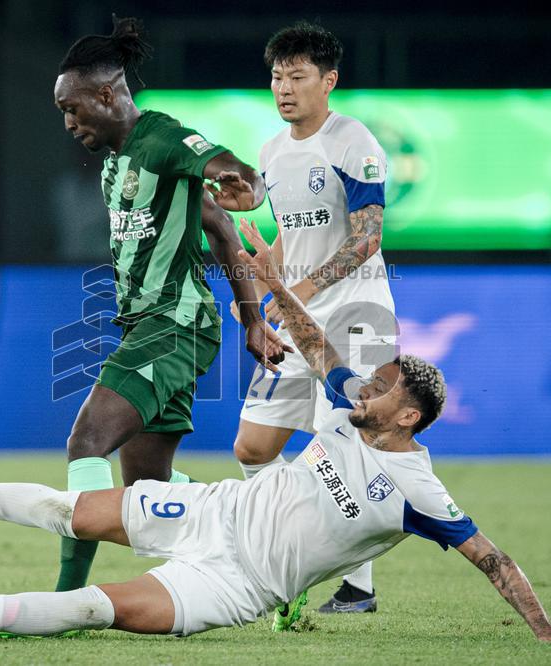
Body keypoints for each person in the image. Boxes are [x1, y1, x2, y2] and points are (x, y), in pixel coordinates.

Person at [0, 219, 551, 643]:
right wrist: (262, 281)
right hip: (210, 510)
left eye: (382, 385)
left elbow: (493, 559)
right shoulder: (351, 407)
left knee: (93, 610)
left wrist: (544, 630)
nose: (365, 383)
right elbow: (309, 334)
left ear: (407, 417)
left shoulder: (420, 493)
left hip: (235, 583)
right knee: (66, 510)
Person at [48, 16, 288, 595]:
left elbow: (232, 175)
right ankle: (265, 533)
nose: (69, 122)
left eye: (73, 108)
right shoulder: (114, 161)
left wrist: (242, 183)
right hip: (152, 327)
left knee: (86, 443)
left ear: (107, 93)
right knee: (146, 492)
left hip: (175, 325)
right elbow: (220, 229)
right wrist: (252, 321)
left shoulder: (162, 139)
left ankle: (63, 603)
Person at [231, 21, 395, 620]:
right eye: (276, 76)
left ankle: (355, 586)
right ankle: (278, 549)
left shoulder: (355, 142)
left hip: (356, 318)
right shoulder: (273, 152)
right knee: (252, 448)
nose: (283, 88)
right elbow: (291, 240)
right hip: (297, 322)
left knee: (335, 448)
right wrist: (260, 285)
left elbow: (366, 242)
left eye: (297, 76)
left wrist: (291, 289)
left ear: (329, 81)